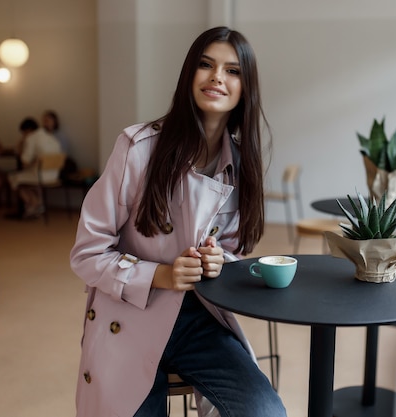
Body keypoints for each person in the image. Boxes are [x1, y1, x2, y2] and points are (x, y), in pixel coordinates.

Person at [69, 27, 286, 417]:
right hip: (129, 315)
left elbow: (234, 249)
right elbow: (87, 253)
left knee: (265, 411)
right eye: (206, 65)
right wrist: (160, 275)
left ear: (245, 88)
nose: (217, 77)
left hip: (198, 320)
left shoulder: (241, 164)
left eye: (232, 71)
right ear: (190, 75)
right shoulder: (137, 148)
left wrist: (218, 261)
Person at [6, 118, 62, 219]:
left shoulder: (31, 138)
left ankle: (33, 204)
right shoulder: (50, 137)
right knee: (26, 182)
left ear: (27, 131)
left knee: (13, 178)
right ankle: (37, 205)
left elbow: (25, 161)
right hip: (54, 176)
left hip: (40, 176)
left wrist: (20, 145)